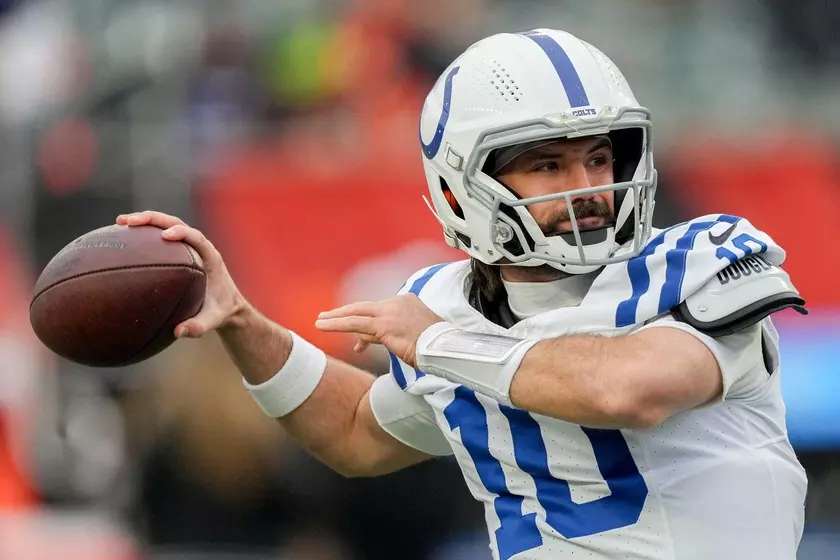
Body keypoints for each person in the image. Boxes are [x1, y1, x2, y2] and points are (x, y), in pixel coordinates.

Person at [118, 29, 809, 560]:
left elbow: (629, 389)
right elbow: (355, 432)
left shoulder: (703, 257)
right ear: (459, 189)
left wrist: (437, 343)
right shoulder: (455, 308)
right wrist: (242, 322)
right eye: (547, 164)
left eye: (601, 156)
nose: (590, 185)